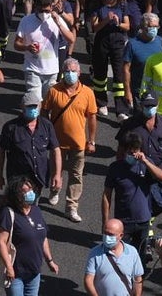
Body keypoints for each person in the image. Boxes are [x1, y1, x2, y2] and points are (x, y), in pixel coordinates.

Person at [44, 57, 98, 223]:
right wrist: (45, 135)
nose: (70, 74)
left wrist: (91, 141)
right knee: (56, 170)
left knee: (76, 175)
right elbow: (45, 112)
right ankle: (55, 190)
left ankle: (71, 206)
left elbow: (92, 117)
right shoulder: (54, 91)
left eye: (73, 71)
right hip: (57, 143)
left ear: (79, 73)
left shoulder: (87, 93)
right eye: (67, 71)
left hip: (78, 143)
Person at [0, 175, 61, 296]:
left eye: (30, 190)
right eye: (24, 191)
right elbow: (1, 241)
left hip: (34, 272)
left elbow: (43, 238)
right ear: (16, 195)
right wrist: (9, 267)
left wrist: (50, 261)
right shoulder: (8, 213)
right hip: (15, 273)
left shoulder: (36, 210)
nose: (29, 194)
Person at [103, 130, 162, 251]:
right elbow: (107, 195)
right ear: (123, 151)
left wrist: (146, 161)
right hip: (123, 222)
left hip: (143, 220)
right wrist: (105, 221)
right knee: (120, 254)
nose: (133, 155)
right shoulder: (115, 168)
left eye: (135, 151)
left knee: (141, 255)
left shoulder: (146, 164)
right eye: (130, 152)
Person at [0, 90, 62, 199]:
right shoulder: (11, 127)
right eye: (29, 106)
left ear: (40, 106)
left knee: (33, 203)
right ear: (22, 107)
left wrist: (57, 174)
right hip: (18, 178)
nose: (33, 109)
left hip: (38, 177)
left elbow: (56, 150)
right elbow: (1, 152)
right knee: (19, 203)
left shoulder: (47, 125)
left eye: (35, 106)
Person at [84, 218, 144, 296]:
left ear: (121, 235)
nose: (107, 237)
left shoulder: (132, 252)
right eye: (105, 233)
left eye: (111, 235)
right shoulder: (95, 253)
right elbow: (88, 280)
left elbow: (137, 279)